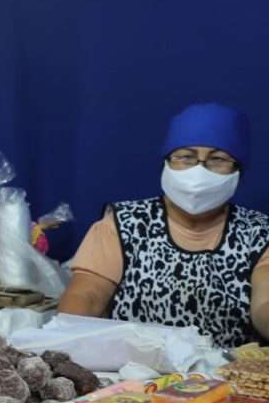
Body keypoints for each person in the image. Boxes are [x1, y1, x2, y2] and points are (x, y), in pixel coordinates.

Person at [59, 103, 269, 347]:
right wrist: (65, 343)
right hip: (133, 365)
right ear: (165, 164)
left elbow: (264, 303)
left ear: (238, 172)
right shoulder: (123, 223)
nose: (199, 170)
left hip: (228, 368)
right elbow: (87, 295)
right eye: (186, 157)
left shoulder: (259, 233)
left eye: (218, 159)